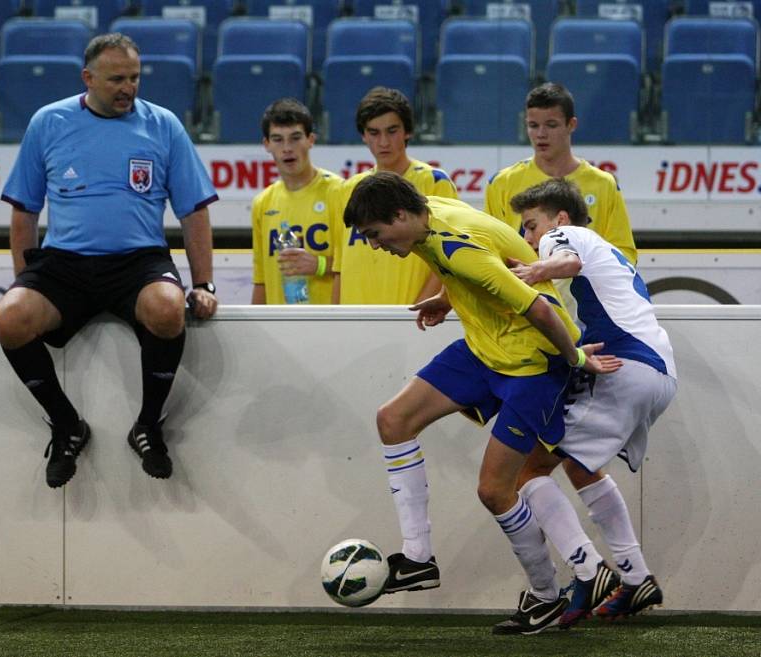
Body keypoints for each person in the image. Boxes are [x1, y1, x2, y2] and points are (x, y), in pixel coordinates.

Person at [342, 171, 621, 635]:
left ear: (399, 216)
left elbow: (540, 308)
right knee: (393, 419)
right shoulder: (427, 210)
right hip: (484, 346)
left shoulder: (457, 247)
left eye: (376, 234)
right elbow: (485, 263)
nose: (375, 245)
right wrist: (447, 299)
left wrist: (575, 358)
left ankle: (547, 596)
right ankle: (417, 558)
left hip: (533, 361)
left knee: (495, 491)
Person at [0, 33, 218, 488]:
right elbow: (25, 210)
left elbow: (193, 211)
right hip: (64, 264)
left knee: (167, 309)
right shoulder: (48, 122)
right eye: (117, 78)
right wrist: (24, 281)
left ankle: (148, 426)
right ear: (88, 78)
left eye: (134, 77)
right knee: (10, 318)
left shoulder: (164, 125)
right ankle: (66, 425)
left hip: (138, 262)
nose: (128, 88)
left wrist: (204, 284)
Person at [508, 178, 677, 625]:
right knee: (579, 464)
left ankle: (588, 569)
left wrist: (537, 270)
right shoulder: (611, 257)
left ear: (559, 220)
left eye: (531, 226)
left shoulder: (569, 236)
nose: (528, 239)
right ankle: (636, 577)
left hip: (626, 364)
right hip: (656, 371)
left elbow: (566, 257)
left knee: (526, 469)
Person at [484, 82, 637, 265]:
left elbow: (624, 254)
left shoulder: (603, 184)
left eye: (551, 125)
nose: (541, 134)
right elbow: (489, 250)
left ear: (571, 125)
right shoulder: (503, 183)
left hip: (584, 291)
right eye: (533, 125)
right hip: (523, 291)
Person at [331, 87, 458, 304]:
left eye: (392, 131)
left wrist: (416, 310)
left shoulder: (435, 182)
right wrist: (335, 317)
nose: (383, 142)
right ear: (363, 135)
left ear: (407, 131)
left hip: (408, 316)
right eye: (374, 132)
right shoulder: (346, 189)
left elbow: (448, 259)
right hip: (354, 319)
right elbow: (339, 267)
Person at [251, 98, 343, 305]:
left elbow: (357, 266)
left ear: (311, 140)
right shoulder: (262, 203)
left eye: (295, 138)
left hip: (328, 323)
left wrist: (318, 265)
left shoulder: (339, 192)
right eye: (277, 139)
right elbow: (261, 281)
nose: (287, 148)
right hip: (279, 326)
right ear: (266, 144)